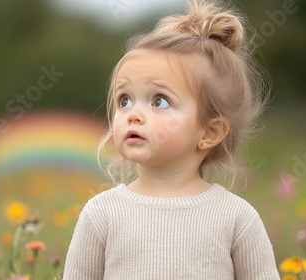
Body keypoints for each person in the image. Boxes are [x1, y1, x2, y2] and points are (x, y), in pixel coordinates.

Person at [63, 0, 280, 279]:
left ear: (209, 132)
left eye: (160, 101)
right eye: (125, 100)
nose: (134, 115)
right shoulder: (102, 214)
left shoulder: (236, 218)